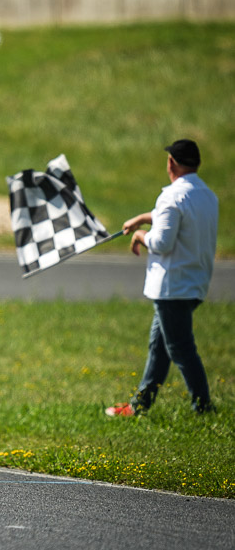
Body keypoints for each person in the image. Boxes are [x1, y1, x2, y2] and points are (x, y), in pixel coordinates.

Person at [106, 140, 219, 417]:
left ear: (171, 163)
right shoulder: (207, 196)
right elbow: (172, 217)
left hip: (172, 286)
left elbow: (162, 242)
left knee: (180, 349)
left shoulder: (171, 196)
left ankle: (203, 407)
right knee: (159, 347)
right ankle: (140, 404)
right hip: (194, 283)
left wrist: (140, 235)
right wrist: (142, 218)